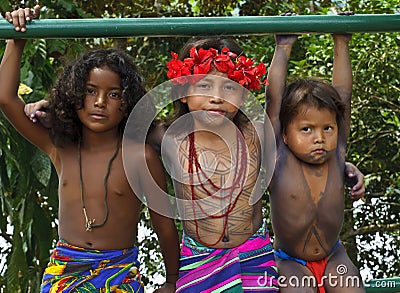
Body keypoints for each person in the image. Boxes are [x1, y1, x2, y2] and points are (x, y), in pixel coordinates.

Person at [0, 5, 179, 293]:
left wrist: (172, 281)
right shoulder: (60, 147)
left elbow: (164, 225)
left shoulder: (140, 157)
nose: (99, 102)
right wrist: (16, 39)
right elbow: (7, 99)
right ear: (73, 96)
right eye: (90, 91)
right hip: (65, 271)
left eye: (114, 94)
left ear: (128, 104)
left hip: (119, 274)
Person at [265, 28, 366, 292]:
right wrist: (283, 46)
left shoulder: (337, 155)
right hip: (290, 261)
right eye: (306, 129)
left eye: (327, 129)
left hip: (334, 257)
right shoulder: (279, 157)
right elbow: (273, 101)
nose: (319, 138)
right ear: (285, 135)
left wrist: (341, 41)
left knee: (351, 286)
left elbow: (343, 95)